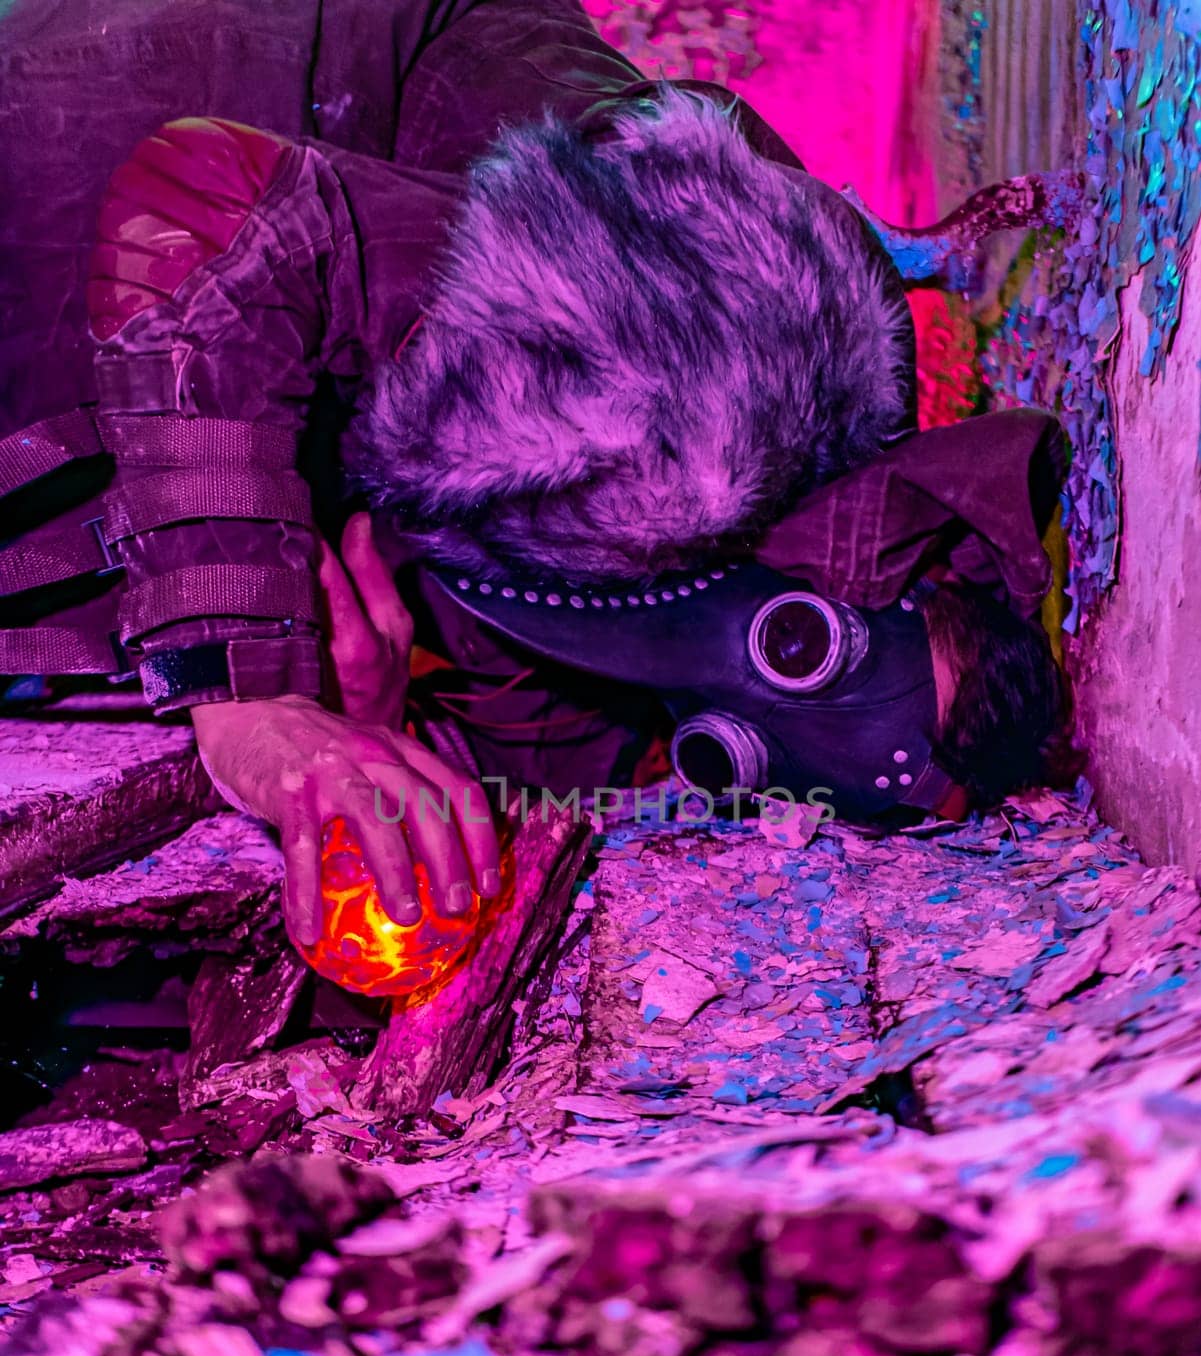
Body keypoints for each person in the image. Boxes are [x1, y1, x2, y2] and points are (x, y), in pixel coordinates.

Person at [0, 0, 1068, 951]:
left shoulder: (598, 685)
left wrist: (365, 718)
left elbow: (419, 846)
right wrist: (252, 687)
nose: (733, 696)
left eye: (745, 757)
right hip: (196, 104)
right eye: (796, 651)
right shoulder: (716, 380)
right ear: (871, 542)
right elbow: (203, 212)